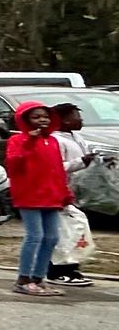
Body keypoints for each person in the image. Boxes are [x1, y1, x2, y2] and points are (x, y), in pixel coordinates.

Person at [4, 102, 71, 297]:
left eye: (45, 116)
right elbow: (13, 165)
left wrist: (65, 193)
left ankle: (38, 278)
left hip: (51, 195)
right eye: (36, 117)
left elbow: (58, 169)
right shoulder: (17, 140)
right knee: (35, 236)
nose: (42, 120)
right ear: (25, 121)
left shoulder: (52, 141)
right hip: (29, 194)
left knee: (51, 237)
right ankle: (23, 279)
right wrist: (29, 142)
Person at [46, 102, 96, 288]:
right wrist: (81, 162)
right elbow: (56, 167)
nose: (80, 119)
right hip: (61, 193)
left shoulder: (76, 138)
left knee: (75, 231)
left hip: (76, 193)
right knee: (63, 233)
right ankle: (57, 271)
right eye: (76, 116)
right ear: (64, 120)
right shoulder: (55, 140)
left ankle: (72, 268)